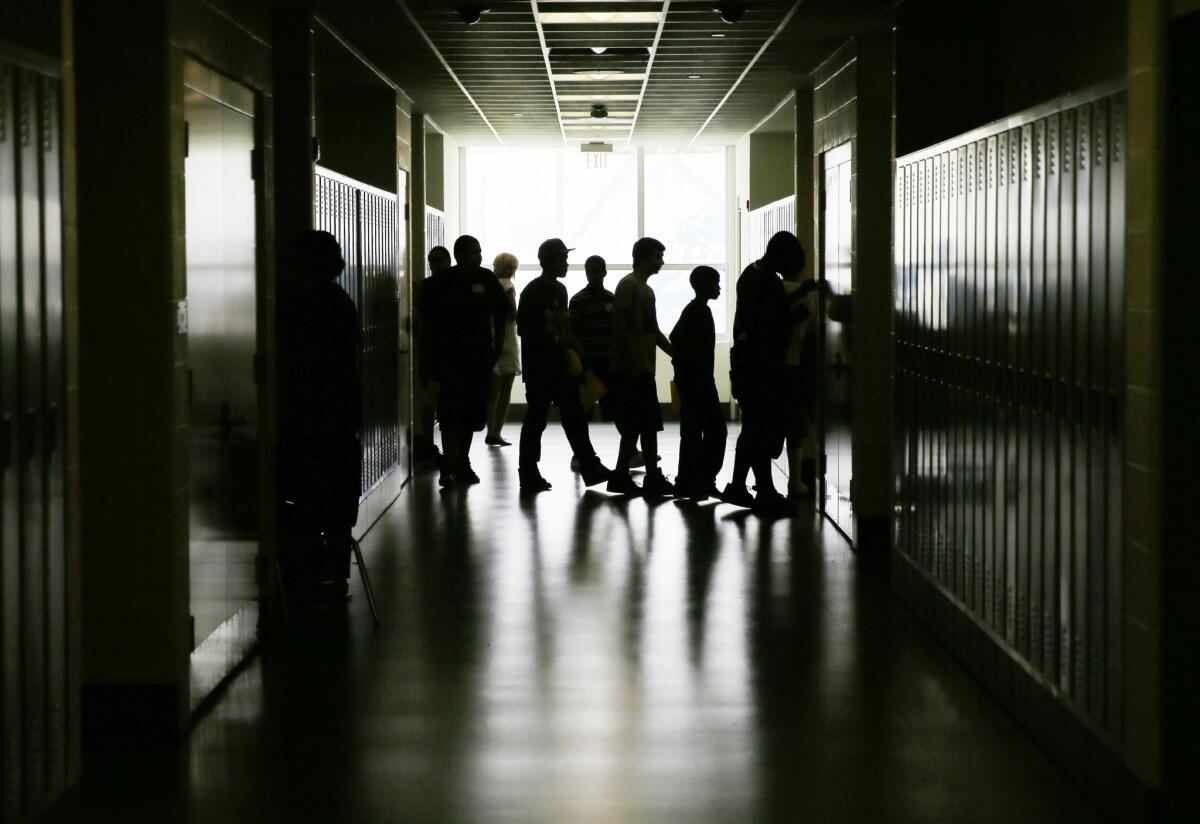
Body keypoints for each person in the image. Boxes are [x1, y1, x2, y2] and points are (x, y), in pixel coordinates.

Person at [278, 230, 361, 597]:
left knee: (306, 497)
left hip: (306, 417)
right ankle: (335, 572)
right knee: (338, 501)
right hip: (339, 416)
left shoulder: (295, 304)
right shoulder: (341, 302)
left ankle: (308, 572)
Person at [516, 238, 611, 492]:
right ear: (548, 262)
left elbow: (565, 327)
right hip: (539, 368)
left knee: (574, 415)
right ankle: (528, 472)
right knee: (537, 419)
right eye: (562, 259)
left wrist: (580, 354)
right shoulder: (533, 291)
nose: (567, 264)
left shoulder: (560, 291)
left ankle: (590, 466)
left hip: (561, 365)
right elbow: (524, 328)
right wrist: (550, 339)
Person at [722, 230, 805, 515]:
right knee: (761, 429)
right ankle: (765, 491)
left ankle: (739, 485)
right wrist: (795, 317)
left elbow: (763, 314)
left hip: (747, 365)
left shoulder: (750, 275)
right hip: (761, 367)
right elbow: (770, 325)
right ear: (780, 257)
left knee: (752, 428)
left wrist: (803, 292)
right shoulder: (767, 281)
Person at [423, 235, 509, 489]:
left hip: (479, 357)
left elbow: (501, 314)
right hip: (449, 359)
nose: (479, 257)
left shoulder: (486, 278)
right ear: (459, 254)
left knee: (472, 413)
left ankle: (462, 460)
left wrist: (496, 349)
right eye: (474, 252)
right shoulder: (442, 282)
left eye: (480, 252)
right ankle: (449, 463)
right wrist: (427, 362)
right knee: (450, 414)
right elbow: (428, 326)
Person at [607, 237, 675, 497]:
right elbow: (622, 327)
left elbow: (653, 330)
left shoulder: (646, 290)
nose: (661, 262)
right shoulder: (628, 286)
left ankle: (628, 474)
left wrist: (673, 354)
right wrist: (632, 362)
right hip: (631, 369)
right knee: (642, 423)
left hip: (641, 366)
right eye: (657, 257)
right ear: (644, 258)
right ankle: (640, 476)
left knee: (643, 424)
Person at [669, 266, 727, 500]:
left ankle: (689, 481)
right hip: (699, 383)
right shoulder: (699, 311)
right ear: (705, 286)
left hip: (693, 381)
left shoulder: (694, 310)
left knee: (693, 433)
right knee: (714, 431)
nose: (719, 288)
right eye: (716, 283)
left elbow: (676, 338)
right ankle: (702, 480)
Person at [781, 262, 822, 499]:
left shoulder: (772, 291)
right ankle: (795, 480)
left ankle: (760, 481)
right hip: (797, 366)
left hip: (771, 365)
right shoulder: (810, 295)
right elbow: (813, 328)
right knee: (796, 426)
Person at [412, 246, 451, 467]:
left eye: (438, 260)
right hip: (431, 350)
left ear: (448, 261)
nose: (434, 264)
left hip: (444, 349)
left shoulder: (429, 287)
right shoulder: (425, 287)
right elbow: (417, 321)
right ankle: (428, 443)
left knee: (441, 402)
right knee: (429, 400)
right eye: (431, 260)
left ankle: (442, 447)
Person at [485, 252, 520, 446]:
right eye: (512, 268)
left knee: (492, 393)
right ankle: (496, 432)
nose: (512, 272)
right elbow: (512, 312)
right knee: (504, 391)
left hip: (490, 338)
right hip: (506, 339)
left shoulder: (490, 283)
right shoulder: (508, 286)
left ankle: (490, 430)